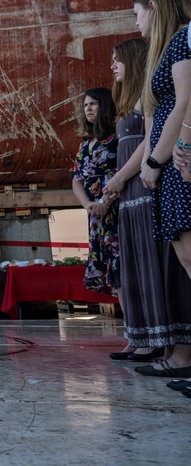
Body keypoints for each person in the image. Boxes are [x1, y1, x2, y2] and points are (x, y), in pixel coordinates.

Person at [132, 0, 191, 379]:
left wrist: (154, 159)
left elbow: (185, 100)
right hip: (170, 167)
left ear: (153, 6)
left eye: (137, 13)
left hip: (175, 164)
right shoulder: (167, 49)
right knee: (187, 259)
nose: (136, 24)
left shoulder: (182, 41)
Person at [102, 38, 164, 360]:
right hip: (127, 191)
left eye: (118, 60)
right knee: (132, 265)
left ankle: (156, 337)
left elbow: (146, 144)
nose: (113, 66)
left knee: (147, 261)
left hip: (139, 186)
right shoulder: (126, 103)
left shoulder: (145, 97)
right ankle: (138, 334)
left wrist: (120, 177)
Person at [71, 87, 119, 295]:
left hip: (116, 208)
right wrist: (88, 205)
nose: (88, 109)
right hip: (95, 215)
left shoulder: (116, 138)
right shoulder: (84, 145)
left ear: (105, 105)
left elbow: (122, 173)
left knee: (121, 267)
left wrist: (105, 203)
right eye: (85, 105)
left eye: (93, 104)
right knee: (107, 270)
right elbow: (77, 180)